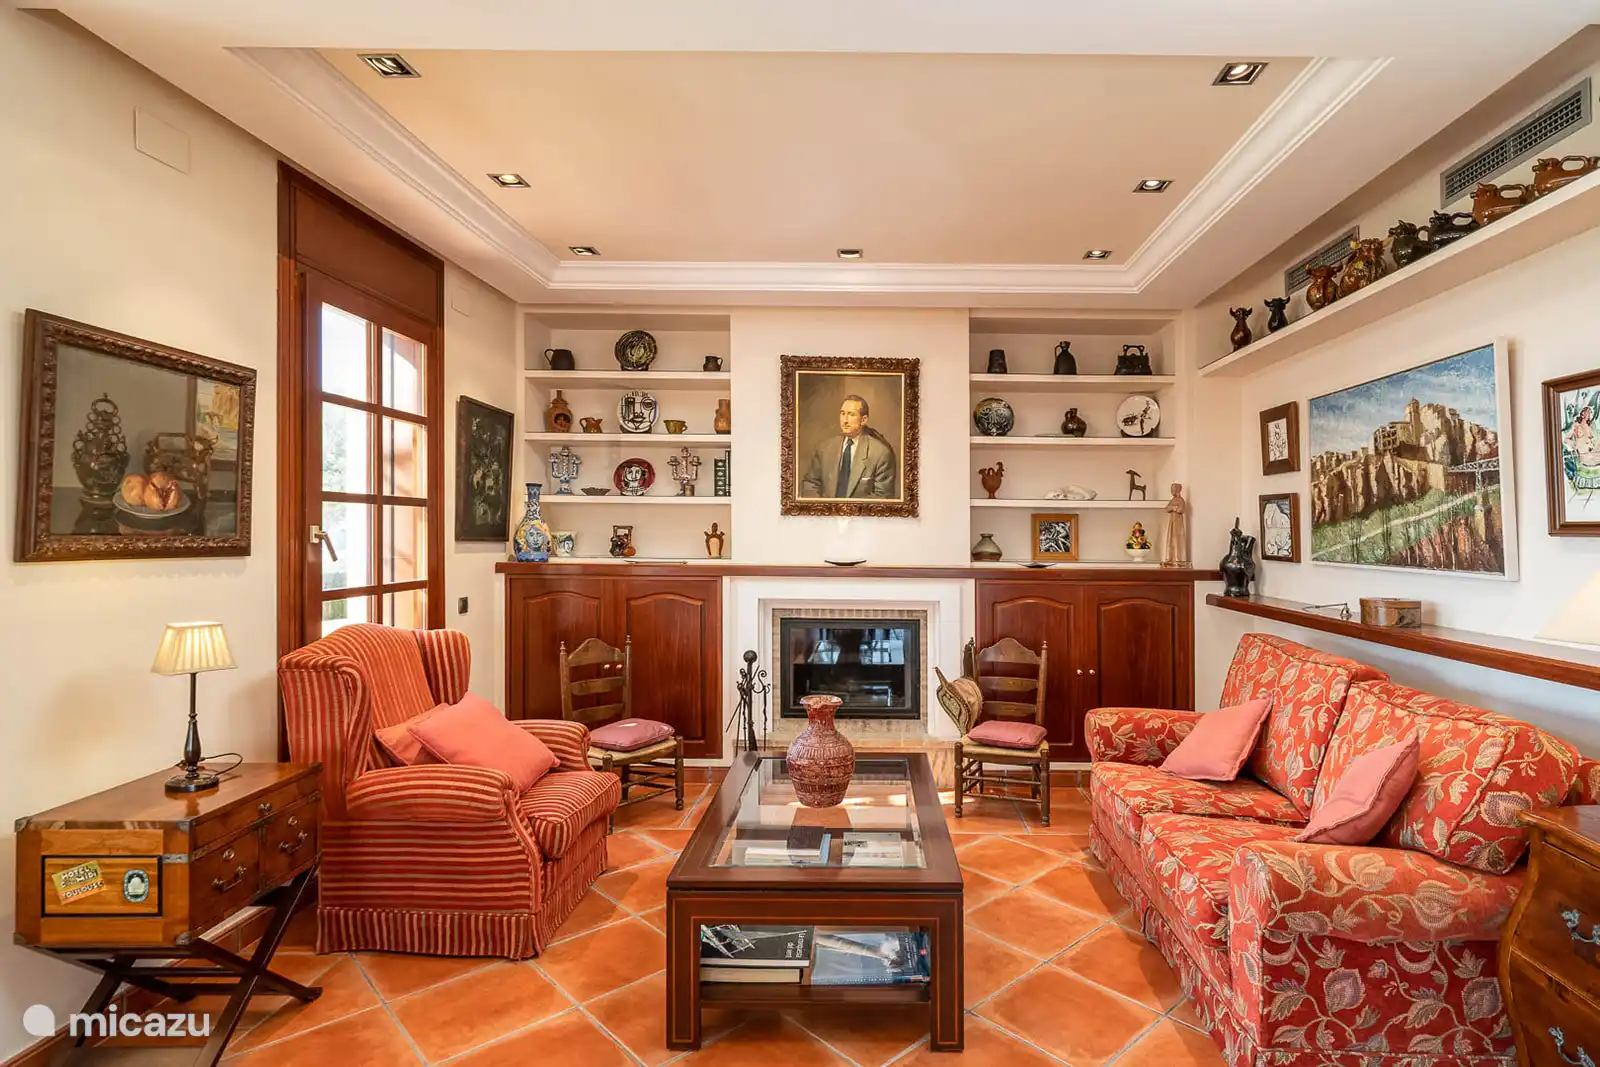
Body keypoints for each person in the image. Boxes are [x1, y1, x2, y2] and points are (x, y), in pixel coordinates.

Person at [800, 394, 897, 498]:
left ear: (863, 420)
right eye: (842, 413)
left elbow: (882, 497)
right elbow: (810, 484)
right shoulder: (825, 448)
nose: (845, 420)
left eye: (851, 414)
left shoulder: (881, 454)